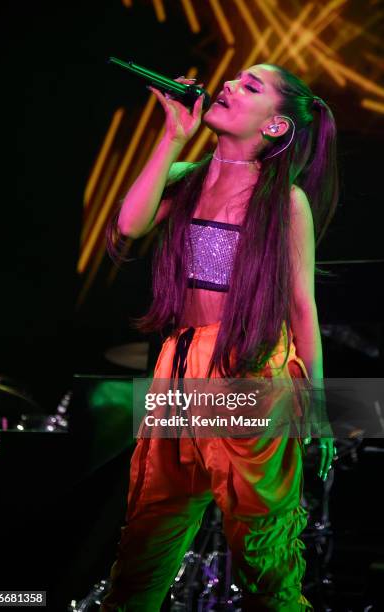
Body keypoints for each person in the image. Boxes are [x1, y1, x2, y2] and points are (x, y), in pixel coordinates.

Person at [100, 63, 338, 611]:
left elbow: (304, 306)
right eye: (233, 78)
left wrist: (316, 407)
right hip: (181, 365)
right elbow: (131, 225)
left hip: (249, 370)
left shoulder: (284, 201)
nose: (228, 85)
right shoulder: (186, 176)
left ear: (275, 126)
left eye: (250, 87)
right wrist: (171, 139)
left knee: (261, 551)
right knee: (147, 535)